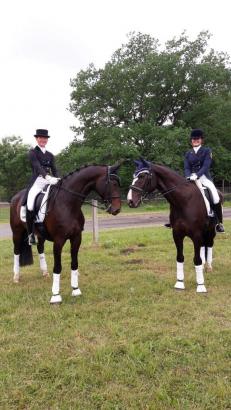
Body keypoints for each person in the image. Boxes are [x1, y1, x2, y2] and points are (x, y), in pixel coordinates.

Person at [21, 129, 60, 245]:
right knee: (30, 204)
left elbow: (55, 169)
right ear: (37, 139)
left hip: (50, 181)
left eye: (45, 138)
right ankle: (31, 234)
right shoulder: (33, 152)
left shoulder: (50, 155)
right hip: (37, 181)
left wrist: (58, 179)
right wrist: (47, 177)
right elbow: (37, 167)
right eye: (41, 138)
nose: (43, 140)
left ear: (47, 140)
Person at [184, 128, 225, 233]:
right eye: (193, 139)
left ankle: (219, 223)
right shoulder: (188, 154)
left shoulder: (207, 151)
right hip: (191, 178)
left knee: (215, 197)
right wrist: (189, 176)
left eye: (197, 139)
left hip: (204, 178)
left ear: (201, 140)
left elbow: (206, 166)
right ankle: (176, 220)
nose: (195, 140)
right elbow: (186, 167)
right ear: (191, 141)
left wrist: (197, 175)